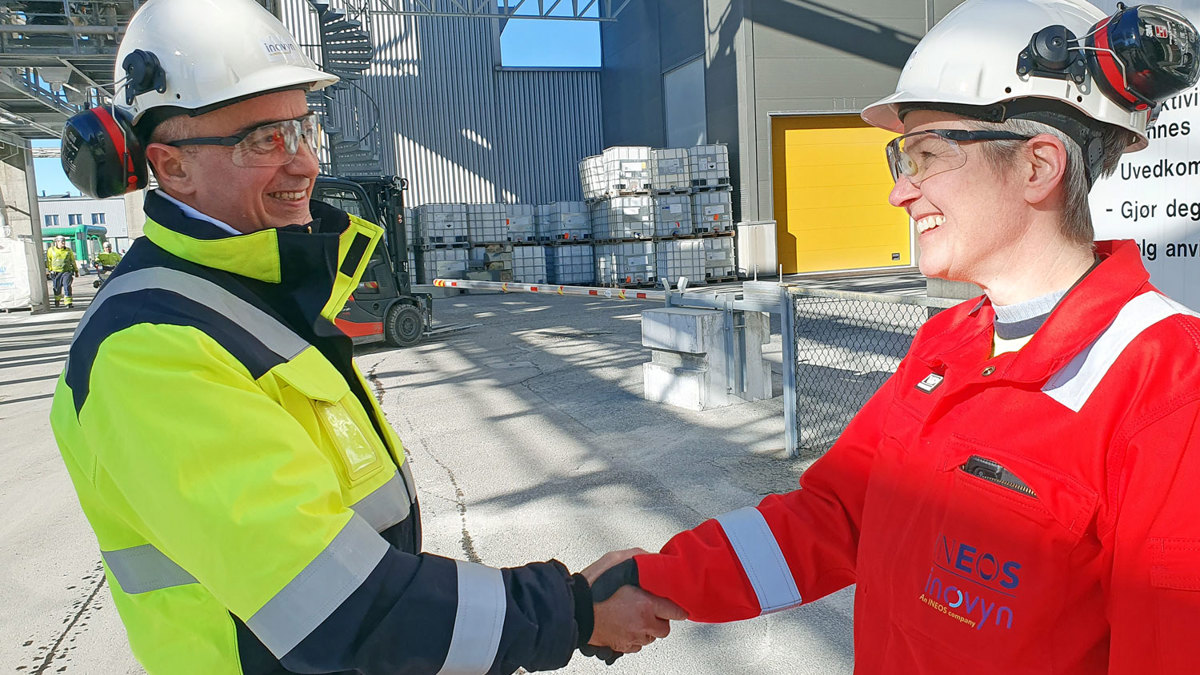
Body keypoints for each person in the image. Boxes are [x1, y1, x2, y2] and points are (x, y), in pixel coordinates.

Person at [48, 1, 681, 673]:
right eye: (265, 140)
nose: (306, 166)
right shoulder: (150, 347)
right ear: (171, 167)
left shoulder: (255, 290)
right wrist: (572, 609)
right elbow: (341, 606)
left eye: (303, 129)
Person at [586, 1, 1200, 673]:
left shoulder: (1169, 385)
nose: (899, 193)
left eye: (927, 156)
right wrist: (660, 577)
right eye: (901, 160)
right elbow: (839, 516)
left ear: (1038, 166)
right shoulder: (950, 340)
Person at [46, 234, 77, 307]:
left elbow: (72, 260)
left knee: (67, 286)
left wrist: (76, 270)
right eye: (61, 242)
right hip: (56, 272)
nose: (63, 243)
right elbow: (49, 261)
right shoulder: (51, 250)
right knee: (57, 287)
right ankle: (57, 300)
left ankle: (68, 303)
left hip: (66, 271)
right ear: (57, 242)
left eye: (64, 241)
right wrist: (50, 270)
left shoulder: (68, 250)